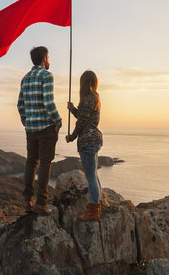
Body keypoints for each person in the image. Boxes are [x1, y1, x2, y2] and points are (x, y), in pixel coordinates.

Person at [17, 46, 62, 215]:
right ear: (44, 58)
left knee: (31, 162)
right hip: (46, 128)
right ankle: (41, 204)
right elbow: (49, 103)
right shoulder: (46, 76)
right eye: (48, 57)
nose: (49, 60)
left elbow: (20, 105)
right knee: (45, 163)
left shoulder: (25, 78)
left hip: (31, 128)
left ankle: (27, 201)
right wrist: (58, 120)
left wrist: (26, 121)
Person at [66, 70, 104, 221]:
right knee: (94, 175)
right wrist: (74, 109)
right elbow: (84, 116)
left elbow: (81, 122)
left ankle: (94, 211)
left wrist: (72, 136)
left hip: (87, 141)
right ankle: (97, 205)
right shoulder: (95, 97)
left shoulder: (87, 98)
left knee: (90, 177)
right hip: (95, 139)